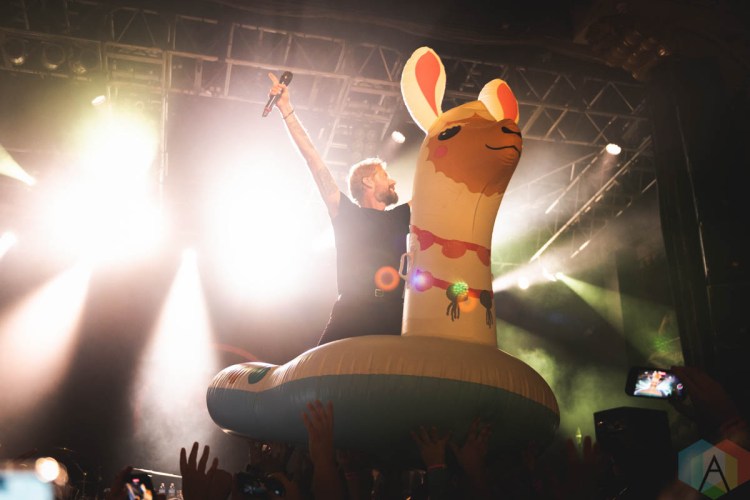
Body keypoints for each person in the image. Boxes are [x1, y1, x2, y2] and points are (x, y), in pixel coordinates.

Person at [268, 72, 411, 346]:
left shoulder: (401, 215)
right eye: (385, 175)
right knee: (318, 370)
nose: (393, 181)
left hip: (394, 313)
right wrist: (286, 109)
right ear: (368, 181)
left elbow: (436, 190)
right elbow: (313, 159)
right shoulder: (346, 213)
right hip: (352, 312)